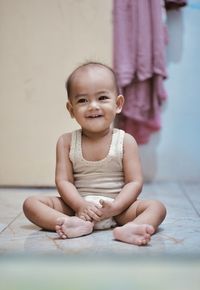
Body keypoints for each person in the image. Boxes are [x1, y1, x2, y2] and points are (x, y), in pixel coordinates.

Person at [23, 62, 166, 246]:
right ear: (71, 109)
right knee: (31, 204)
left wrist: (116, 207)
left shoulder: (125, 141)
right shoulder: (66, 142)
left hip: (119, 209)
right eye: (82, 100)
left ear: (118, 104)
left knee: (157, 207)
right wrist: (79, 206)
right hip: (77, 206)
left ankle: (131, 228)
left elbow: (134, 182)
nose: (93, 106)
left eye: (102, 98)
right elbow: (64, 181)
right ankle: (71, 223)